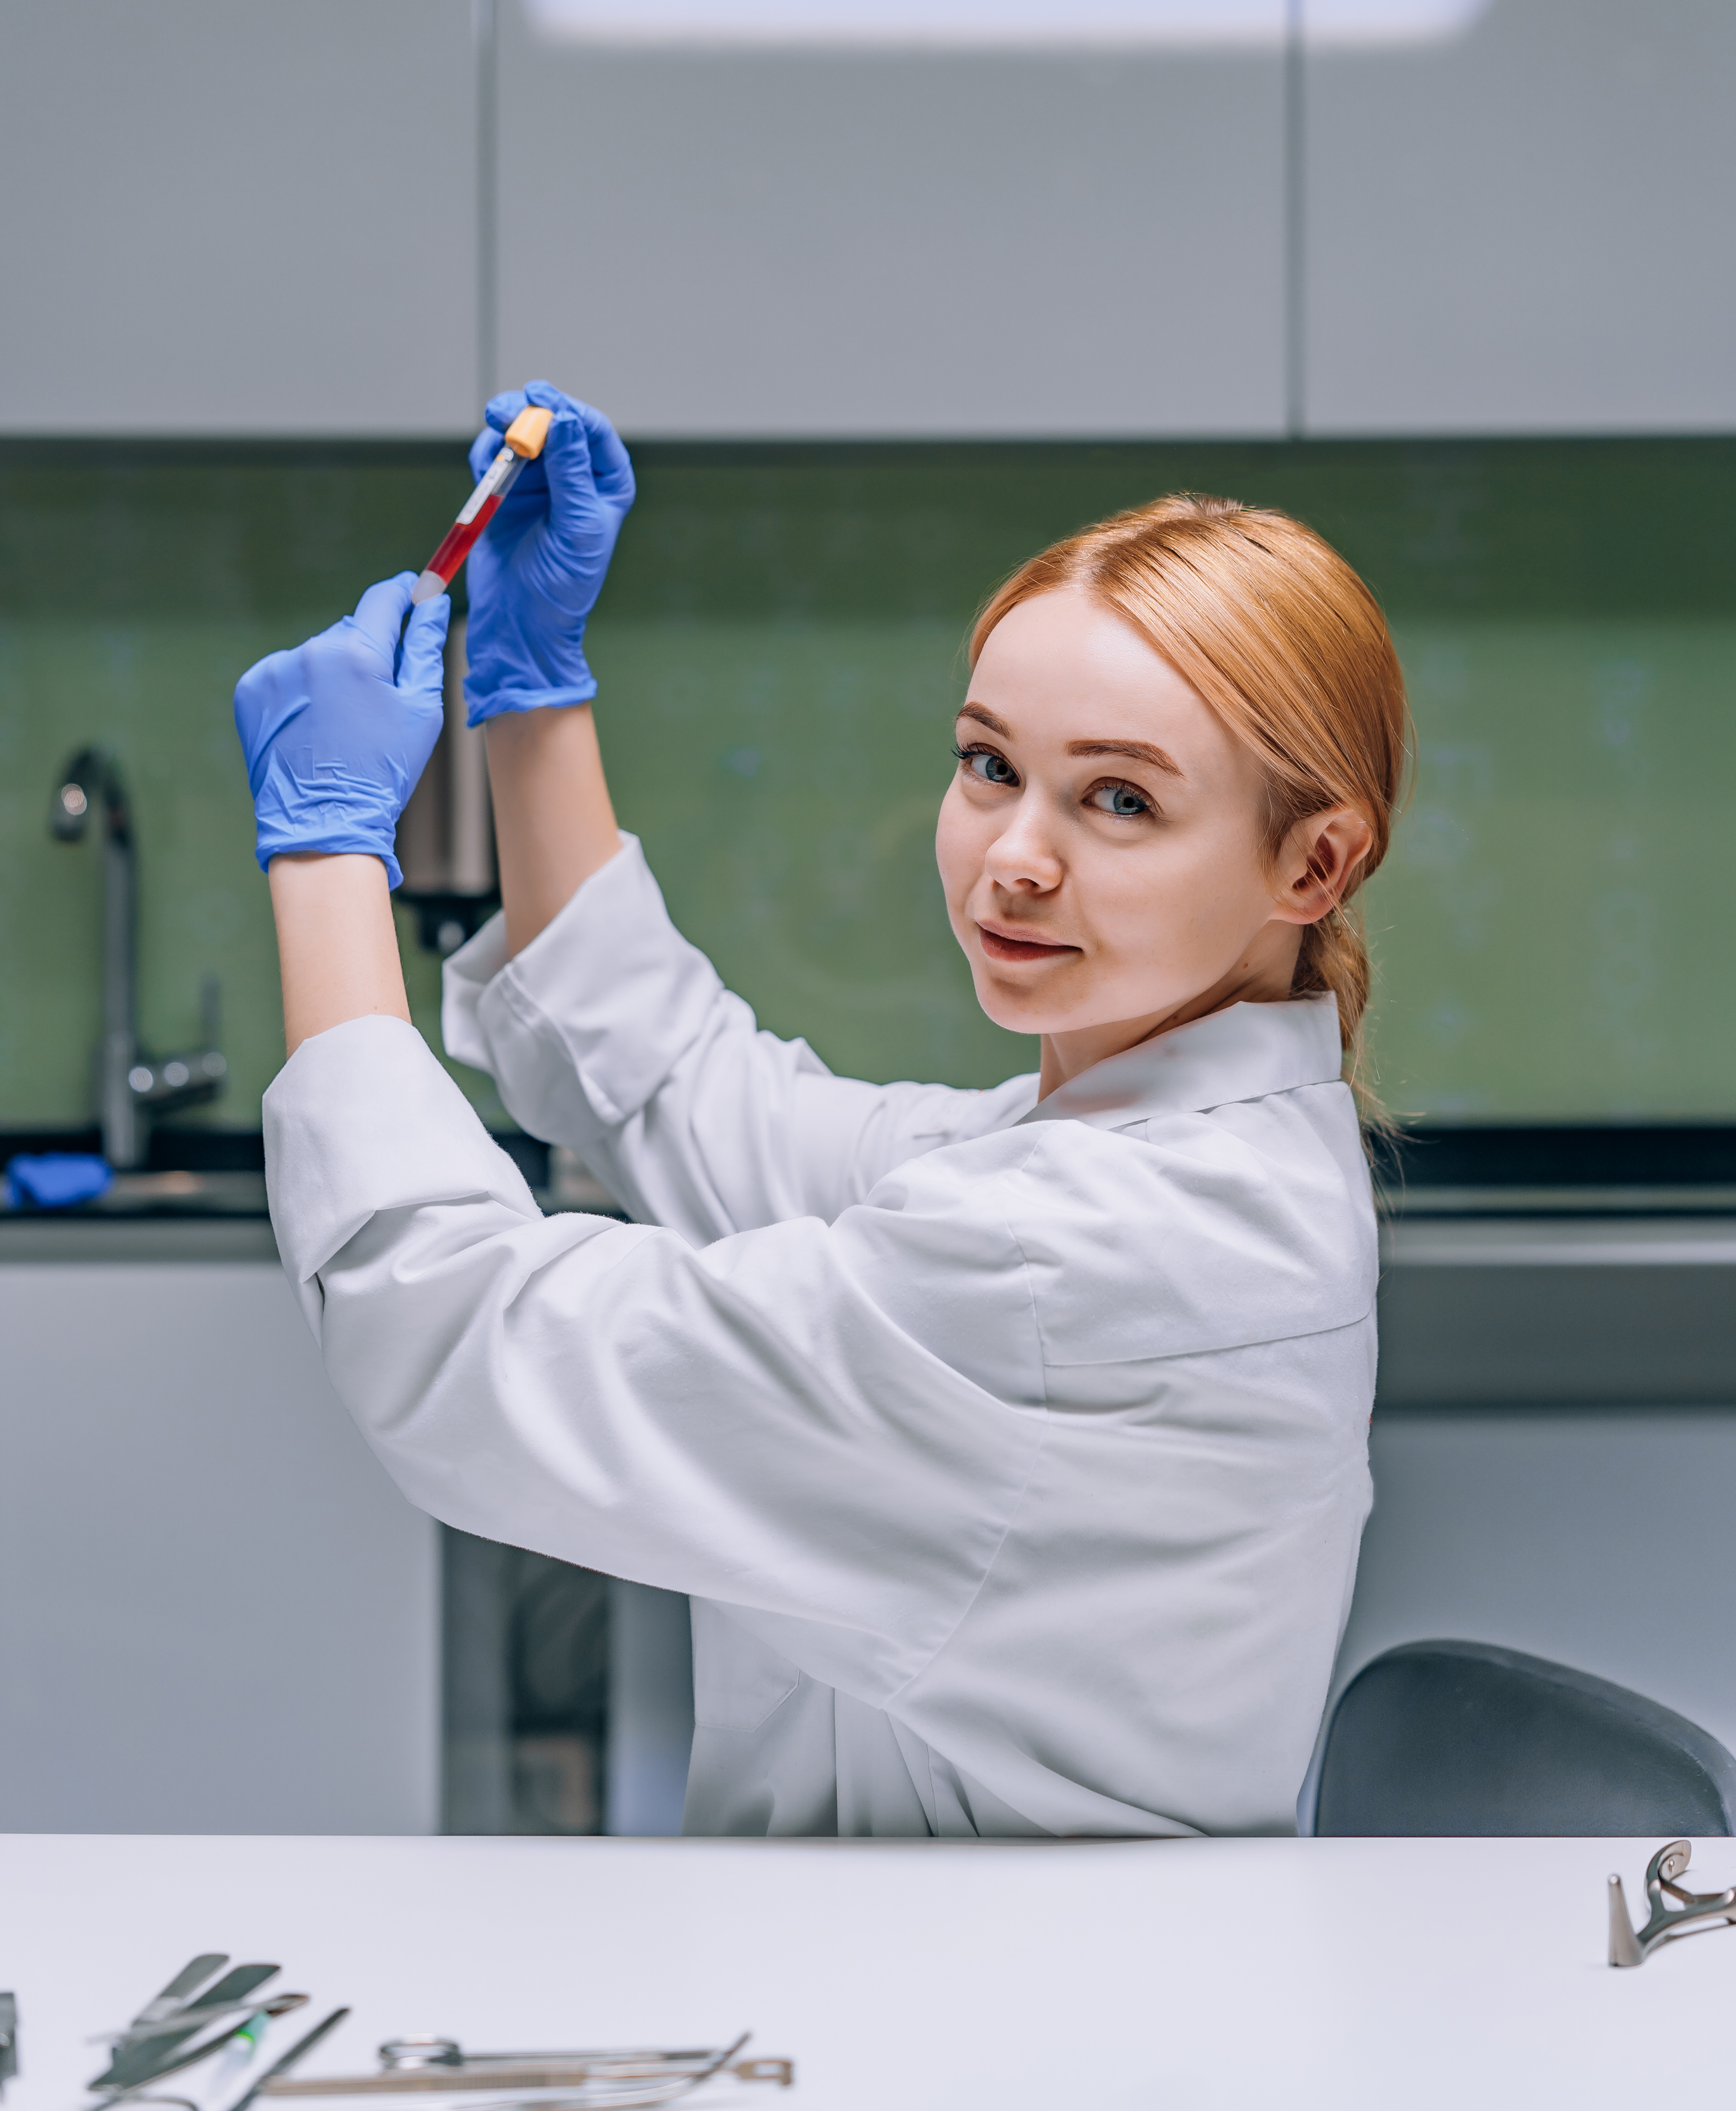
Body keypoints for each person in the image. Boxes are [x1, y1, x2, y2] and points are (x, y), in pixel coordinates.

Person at [237, 383, 1408, 1840]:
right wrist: (533, 688)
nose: (1015, 860)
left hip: (1016, 2032)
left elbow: (462, 1337)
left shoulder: (1079, 1250)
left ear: (1314, 864)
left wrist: (328, 855)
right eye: (990, 766)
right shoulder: (1113, 1167)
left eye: (1118, 802)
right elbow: (687, 1089)